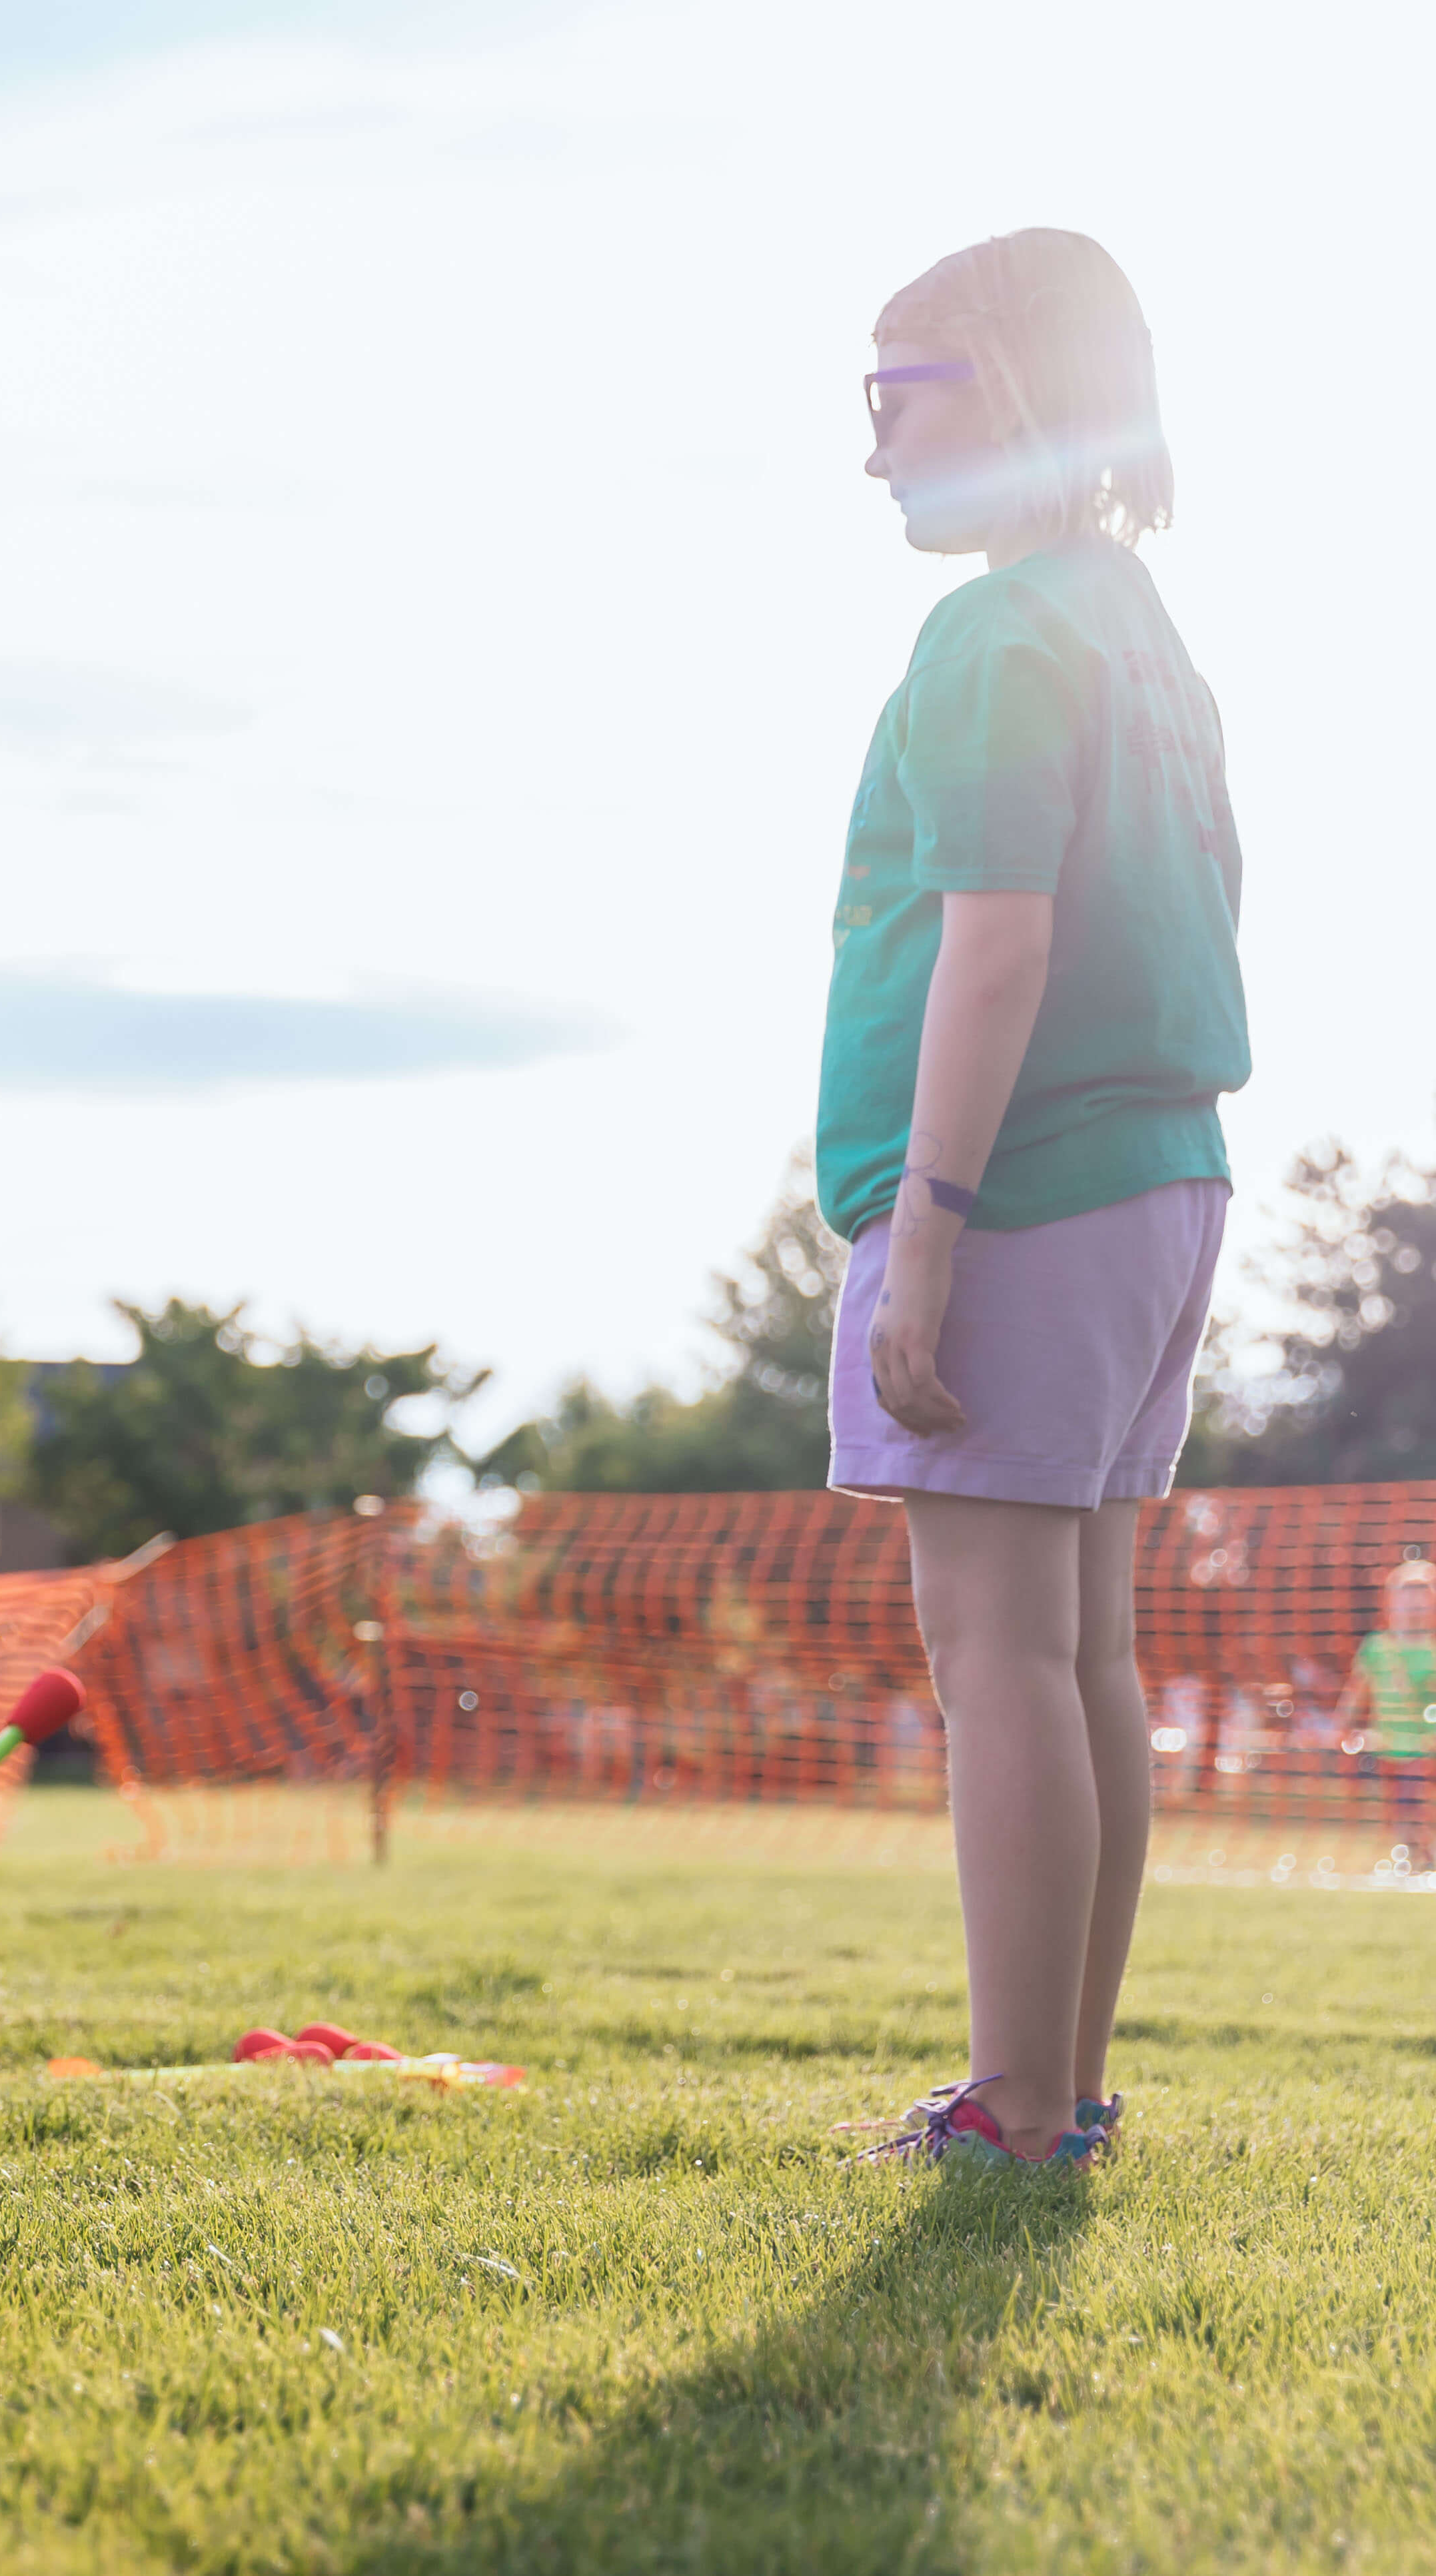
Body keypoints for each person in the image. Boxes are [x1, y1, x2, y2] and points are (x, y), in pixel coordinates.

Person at [824, 232, 1243, 2172]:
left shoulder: (993, 635)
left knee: (997, 1649)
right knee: (1078, 1648)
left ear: (998, 381)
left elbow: (994, 946)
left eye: (891, 396)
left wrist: (929, 1223)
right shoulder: (1134, 627)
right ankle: (1054, 2096)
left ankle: (1010, 2105)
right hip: (1156, 1180)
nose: (873, 450)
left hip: (1028, 1186)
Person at [1336, 1561, 1436, 1855]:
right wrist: (1342, 1725)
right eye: (1407, 1597)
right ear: (1393, 1602)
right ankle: (1418, 1855)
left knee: (1416, 1804)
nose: (1414, 1604)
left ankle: (1421, 1855)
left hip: (1426, 1748)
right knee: (1398, 1809)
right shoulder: (1377, 1647)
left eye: (1422, 1596)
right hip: (1389, 1747)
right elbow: (1357, 1691)